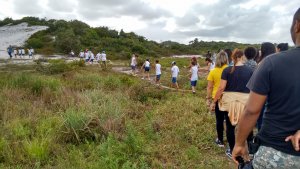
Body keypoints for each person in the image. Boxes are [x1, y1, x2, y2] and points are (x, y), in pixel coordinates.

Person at [232, 8, 300, 168]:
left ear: (297, 25)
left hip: (277, 152)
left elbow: (251, 110)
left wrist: (240, 143)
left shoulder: (272, 63)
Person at [213, 49, 253, 159]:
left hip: (229, 102)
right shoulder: (250, 70)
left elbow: (221, 88)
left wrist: (214, 101)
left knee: (230, 127)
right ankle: (250, 150)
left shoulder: (227, 70)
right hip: (245, 101)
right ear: (243, 57)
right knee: (247, 124)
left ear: (232, 57)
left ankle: (231, 150)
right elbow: (253, 88)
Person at [207, 51, 228, 147]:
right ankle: (230, 138)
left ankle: (220, 140)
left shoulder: (213, 71)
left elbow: (210, 87)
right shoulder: (230, 69)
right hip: (228, 98)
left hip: (217, 98)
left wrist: (208, 99)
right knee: (229, 120)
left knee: (219, 120)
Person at [256, 42, 276, 131]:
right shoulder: (276, 61)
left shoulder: (262, 63)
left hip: (263, 94)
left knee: (261, 117)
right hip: (275, 94)